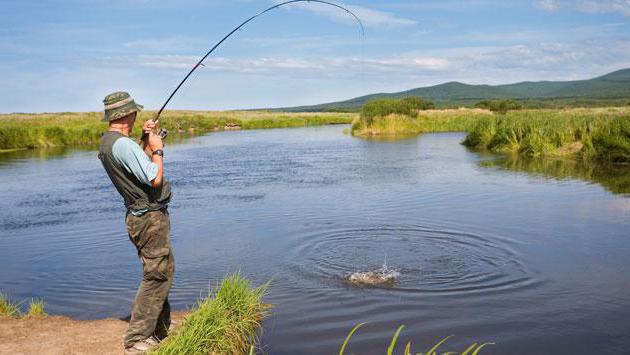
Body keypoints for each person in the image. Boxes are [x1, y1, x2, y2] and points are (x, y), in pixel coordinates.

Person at [97, 91, 174, 355]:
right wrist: (157, 148)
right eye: (135, 111)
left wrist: (143, 139)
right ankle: (137, 339)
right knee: (156, 274)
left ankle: (161, 328)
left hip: (141, 217)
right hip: (148, 219)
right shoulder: (122, 145)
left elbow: (135, 165)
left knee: (163, 268)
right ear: (127, 114)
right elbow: (153, 178)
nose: (137, 113)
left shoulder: (111, 142)